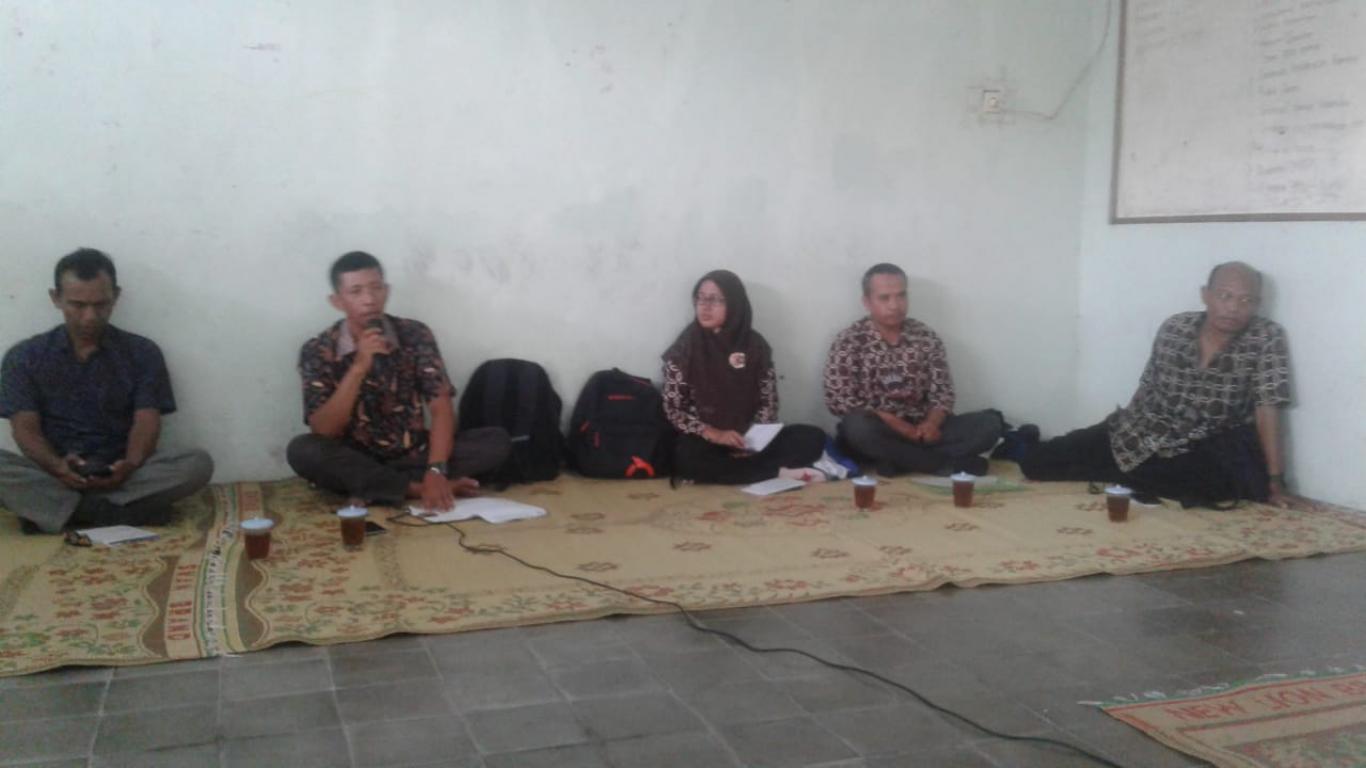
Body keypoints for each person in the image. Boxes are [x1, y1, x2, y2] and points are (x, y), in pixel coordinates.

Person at [1020, 262, 1291, 507]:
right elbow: (1148, 385)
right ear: (1205, 295)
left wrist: (1276, 481)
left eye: (1246, 300)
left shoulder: (1266, 338)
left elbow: (1267, 408)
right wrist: (1119, 430)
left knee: (1208, 487)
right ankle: (1117, 471)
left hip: (1206, 446)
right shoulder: (1175, 327)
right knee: (1036, 463)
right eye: (1225, 296)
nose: (1233, 308)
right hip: (1146, 432)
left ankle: (1120, 474)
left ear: (1257, 304)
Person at [0, 248, 214, 533]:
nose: (89, 316)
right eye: (78, 305)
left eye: (100, 304)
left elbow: (147, 421)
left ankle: (59, 511)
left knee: (196, 464)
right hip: (53, 473)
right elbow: (25, 429)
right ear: (56, 298)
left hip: (122, 474)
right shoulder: (24, 357)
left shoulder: (142, 352)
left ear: (116, 297)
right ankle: (114, 513)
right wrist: (57, 467)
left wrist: (130, 464)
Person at [286, 251, 510, 511]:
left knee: (496, 441)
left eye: (376, 288)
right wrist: (359, 367)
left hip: (413, 454)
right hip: (354, 458)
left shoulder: (414, 334)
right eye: (356, 292)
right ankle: (413, 489)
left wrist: (436, 469)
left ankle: (382, 486)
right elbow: (324, 430)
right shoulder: (318, 349)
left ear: (387, 291)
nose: (369, 300)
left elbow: (440, 408)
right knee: (303, 450)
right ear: (337, 301)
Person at [824, 263, 1004, 476]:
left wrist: (931, 424)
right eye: (884, 298)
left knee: (989, 425)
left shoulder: (925, 336)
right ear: (867, 302)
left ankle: (900, 461)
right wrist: (895, 423)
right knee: (857, 427)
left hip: (922, 429)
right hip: (880, 430)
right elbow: (838, 401)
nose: (895, 305)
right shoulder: (849, 341)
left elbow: (943, 393)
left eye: (901, 296)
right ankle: (940, 464)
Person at [662, 270, 827, 484]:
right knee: (687, 457)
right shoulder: (684, 349)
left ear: (735, 304)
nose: (705, 306)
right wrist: (714, 433)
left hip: (747, 438)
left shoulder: (755, 346)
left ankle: (744, 469)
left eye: (716, 299)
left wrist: (754, 440)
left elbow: (768, 402)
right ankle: (776, 473)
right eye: (701, 298)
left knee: (812, 436)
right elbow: (673, 410)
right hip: (706, 440)